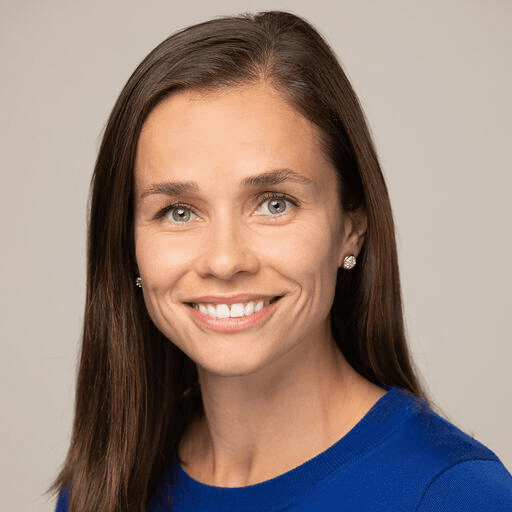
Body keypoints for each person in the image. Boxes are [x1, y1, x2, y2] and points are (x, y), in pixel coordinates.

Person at [52, 11, 512, 512]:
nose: (225, 260)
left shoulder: (453, 495)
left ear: (351, 227)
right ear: (128, 244)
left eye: (275, 203)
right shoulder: (104, 487)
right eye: (178, 211)